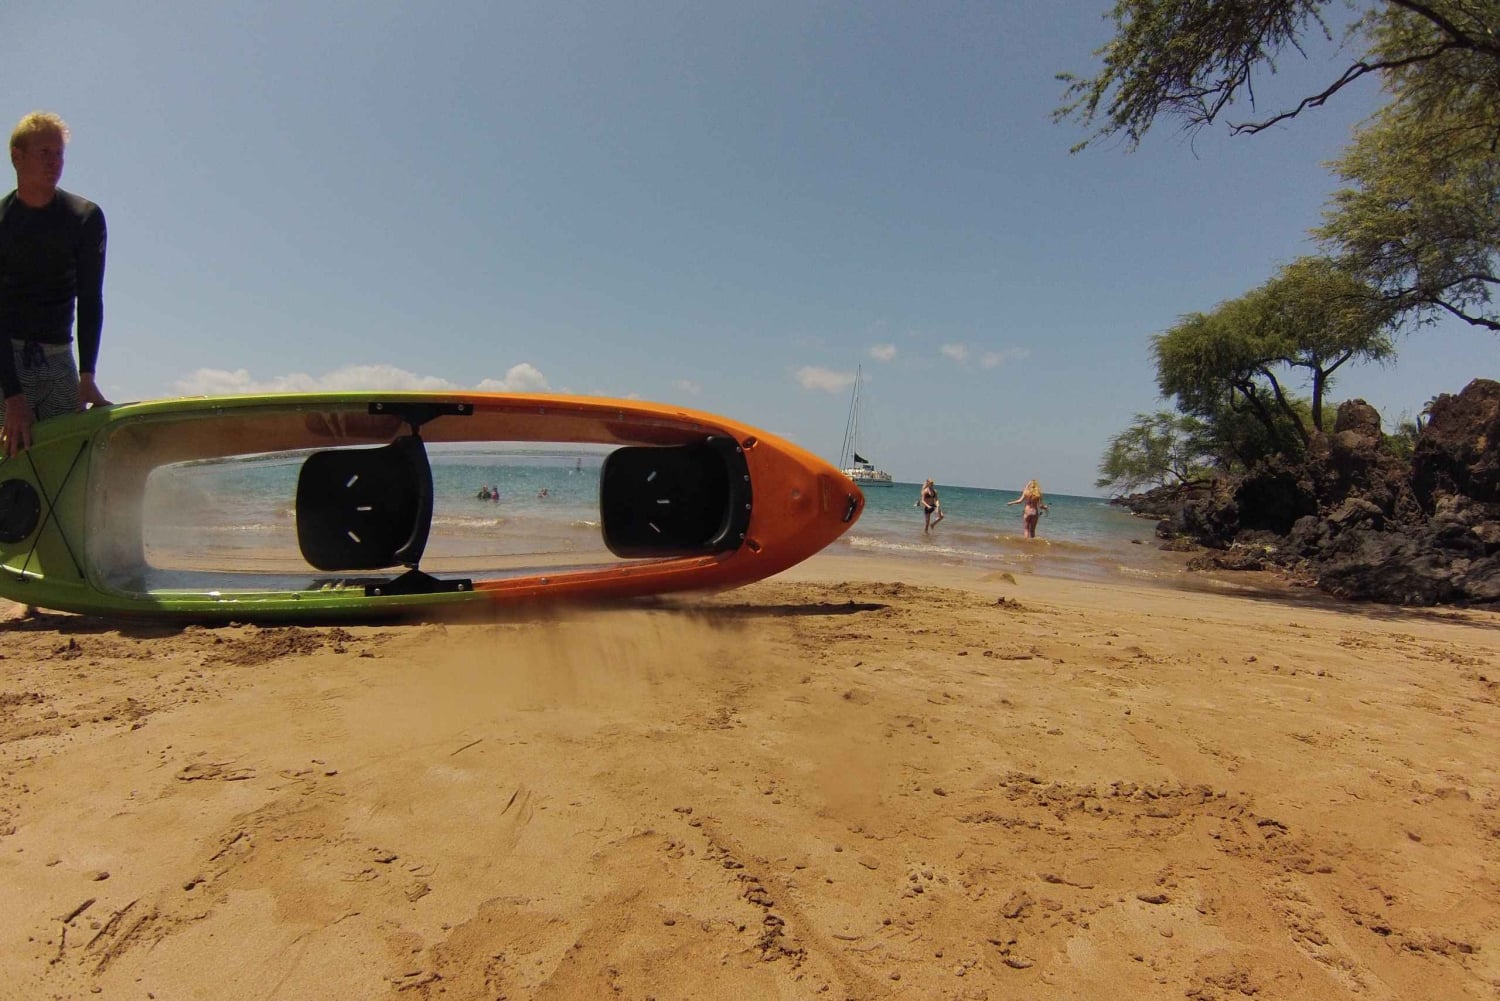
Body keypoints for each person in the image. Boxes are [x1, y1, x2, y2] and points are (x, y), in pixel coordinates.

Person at [0, 112, 109, 458]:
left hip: (59, 357)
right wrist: (12, 396)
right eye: (44, 153)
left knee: (67, 459)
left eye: (59, 153)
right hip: (7, 358)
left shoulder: (84, 217)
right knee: (12, 465)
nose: (55, 162)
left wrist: (87, 374)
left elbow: (90, 298)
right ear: (17, 156)